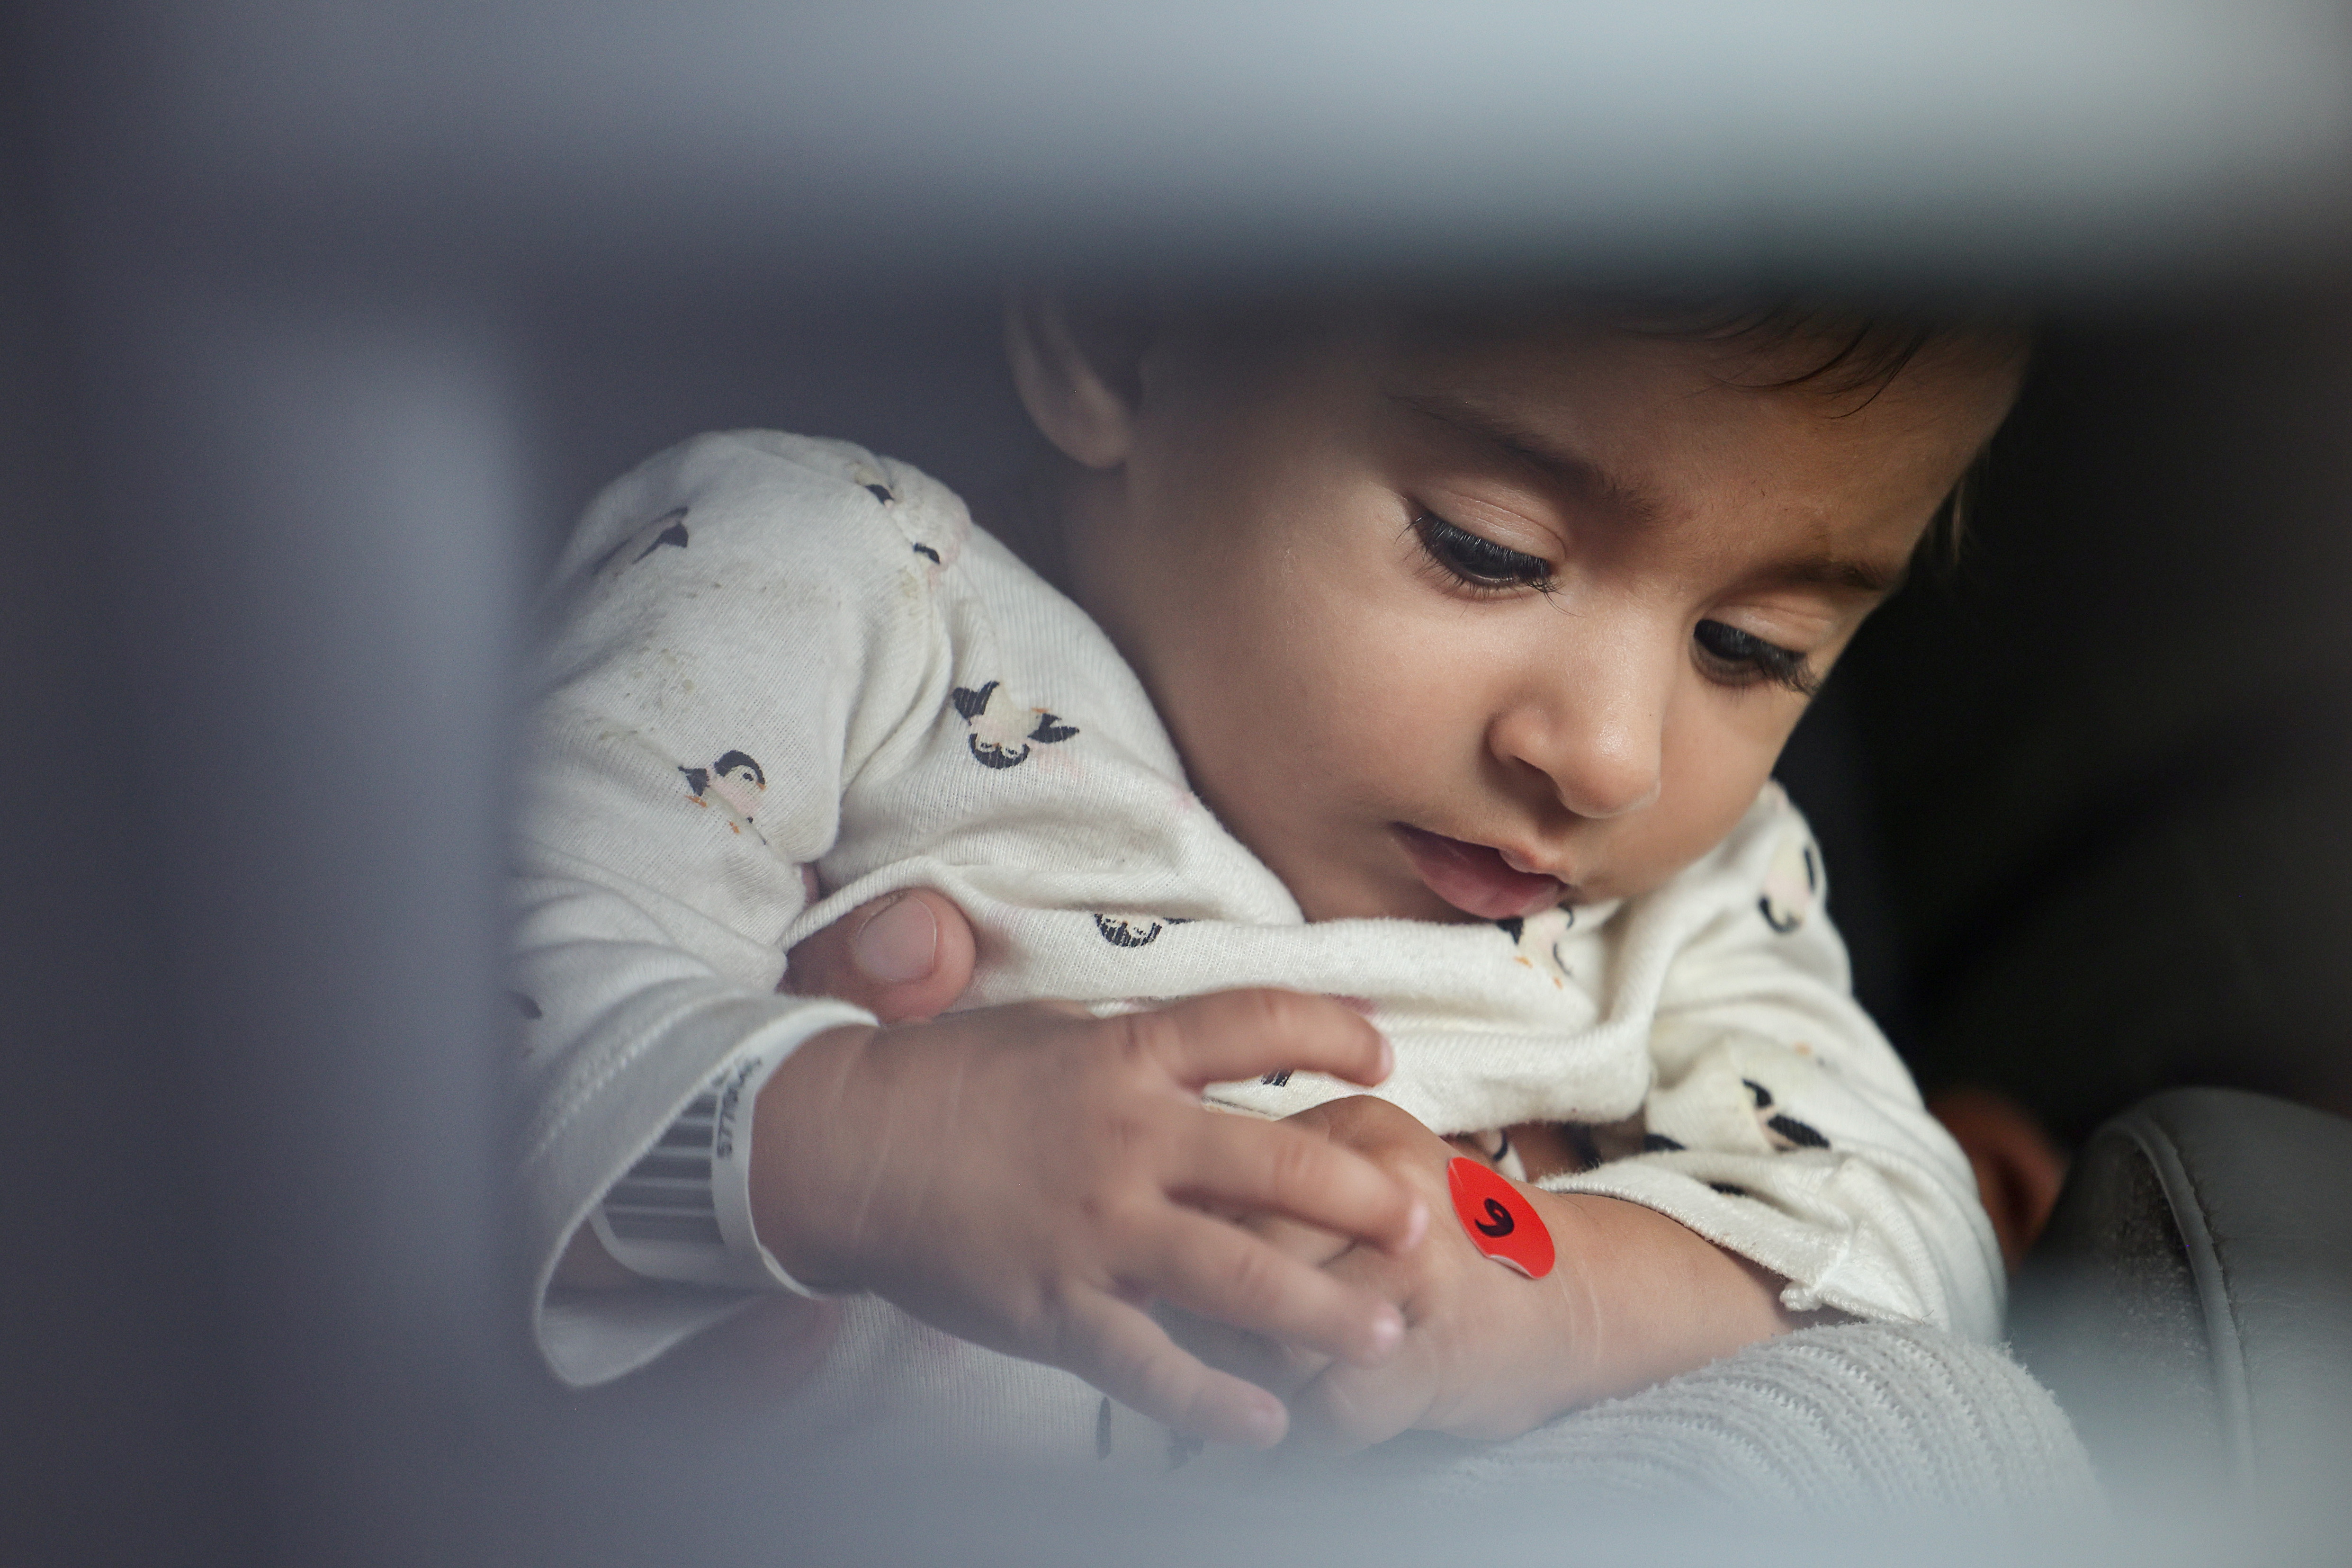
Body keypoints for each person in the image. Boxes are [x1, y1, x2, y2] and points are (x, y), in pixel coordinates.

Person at [514, 290, 2040, 1469]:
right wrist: (875, 1151)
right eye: (1488, 550)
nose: (1611, 758)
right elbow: (456, 1060)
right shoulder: (835, 587)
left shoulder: (1696, 878)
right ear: (1125, 337)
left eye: (1751, 649)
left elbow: (1905, 1235)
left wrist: (1544, 1286)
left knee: (1959, 1434)